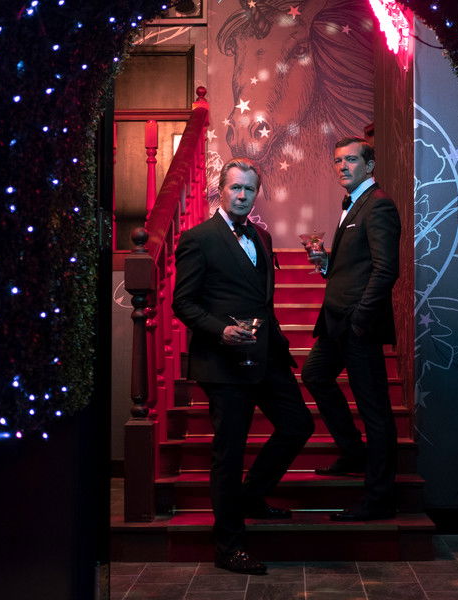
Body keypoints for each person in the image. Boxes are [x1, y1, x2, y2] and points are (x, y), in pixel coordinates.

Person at [172, 157, 314, 574]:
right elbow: (183, 302)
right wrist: (221, 331)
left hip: (266, 354)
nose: (242, 195)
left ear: (256, 193)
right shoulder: (198, 238)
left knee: (298, 425)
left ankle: (251, 496)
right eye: (235, 187)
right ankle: (228, 547)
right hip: (223, 361)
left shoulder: (261, 236)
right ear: (221, 190)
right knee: (228, 455)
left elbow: (262, 299)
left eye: (249, 189)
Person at [301, 137, 401, 521]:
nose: (342, 166)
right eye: (338, 160)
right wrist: (325, 262)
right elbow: (354, 267)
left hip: (358, 324)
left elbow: (385, 270)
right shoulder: (354, 203)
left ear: (369, 165)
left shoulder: (379, 205)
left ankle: (379, 499)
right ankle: (354, 452)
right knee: (315, 375)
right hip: (335, 322)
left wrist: (360, 319)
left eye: (351, 160)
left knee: (375, 411)